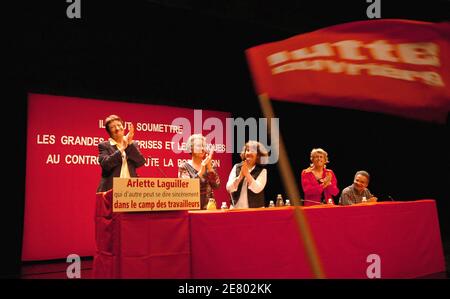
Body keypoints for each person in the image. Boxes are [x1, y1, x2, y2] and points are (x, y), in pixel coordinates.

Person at [97, 115, 146, 192]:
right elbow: (106, 164)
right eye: (112, 127)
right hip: (112, 189)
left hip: (131, 188)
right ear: (109, 132)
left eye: (119, 125)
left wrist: (129, 144)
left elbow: (140, 162)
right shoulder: (104, 145)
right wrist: (122, 149)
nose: (117, 128)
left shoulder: (133, 144)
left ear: (123, 127)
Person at [178, 134, 220, 209]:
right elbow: (187, 189)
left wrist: (209, 168)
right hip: (191, 208)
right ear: (191, 148)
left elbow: (216, 186)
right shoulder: (184, 167)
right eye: (199, 146)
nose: (203, 148)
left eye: (204, 146)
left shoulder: (211, 164)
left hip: (209, 208)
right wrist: (202, 170)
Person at [226, 140, 268, 208]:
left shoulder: (262, 171)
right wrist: (240, 177)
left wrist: (247, 174)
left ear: (258, 155)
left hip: (255, 211)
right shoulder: (237, 167)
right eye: (247, 150)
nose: (249, 153)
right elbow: (229, 188)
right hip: (236, 209)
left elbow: (257, 189)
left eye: (253, 151)